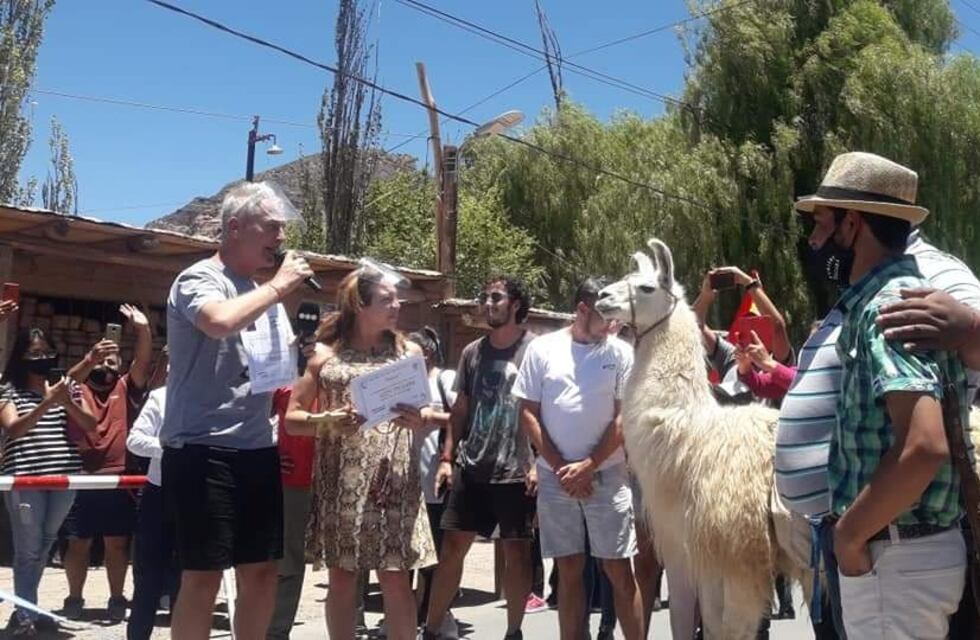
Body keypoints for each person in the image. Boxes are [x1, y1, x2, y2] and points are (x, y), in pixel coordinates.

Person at [795, 151, 974, 639]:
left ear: (852, 224)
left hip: (893, 553)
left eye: (822, 223)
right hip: (897, 552)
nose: (813, 240)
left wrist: (850, 536)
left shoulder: (887, 309)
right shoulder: (893, 299)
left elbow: (924, 445)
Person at [161, 181, 314, 640]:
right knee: (204, 575)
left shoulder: (259, 291)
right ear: (234, 228)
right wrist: (280, 287)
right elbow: (218, 321)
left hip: (256, 449)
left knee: (264, 570)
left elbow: (272, 372)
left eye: (283, 229)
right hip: (202, 449)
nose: (280, 239)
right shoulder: (198, 279)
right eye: (271, 226)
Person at [284, 260, 435, 640]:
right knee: (342, 576)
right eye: (387, 299)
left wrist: (420, 419)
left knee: (396, 577)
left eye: (397, 299)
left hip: (393, 477)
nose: (397, 305)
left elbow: (426, 410)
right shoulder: (323, 356)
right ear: (359, 305)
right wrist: (329, 419)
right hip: (342, 480)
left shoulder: (409, 352)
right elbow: (292, 419)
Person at [514, 277, 643, 640]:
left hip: (608, 474)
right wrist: (560, 467)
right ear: (583, 310)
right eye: (607, 318)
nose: (613, 326)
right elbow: (528, 412)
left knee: (618, 569)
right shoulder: (542, 349)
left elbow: (624, 417)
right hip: (556, 478)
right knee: (569, 567)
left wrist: (588, 466)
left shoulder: (620, 353)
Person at [421, 276, 537, 640]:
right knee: (453, 546)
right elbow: (460, 410)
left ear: (515, 304)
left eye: (497, 297)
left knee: (516, 552)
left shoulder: (535, 351)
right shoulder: (473, 352)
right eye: (484, 296)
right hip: (473, 466)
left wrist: (538, 461)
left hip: (516, 469)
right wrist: (446, 458)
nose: (488, 303)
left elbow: (544, 410)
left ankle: (514, 630)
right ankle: (433, 627)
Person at [0, 328, 97, 637]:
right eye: (34, 354)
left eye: (46, 353)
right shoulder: (7, 390)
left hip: (64, 476)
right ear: (21, 358)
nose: (42, 359)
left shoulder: (64, 386)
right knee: (28, 548)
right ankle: (25, 614)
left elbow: (91, 424)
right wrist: (46, 403)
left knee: (44, 545)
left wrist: (65, 401)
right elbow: (14, 429)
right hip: (25, 476)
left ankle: (28, 610)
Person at [62, 304, 154, 622]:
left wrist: (142, 329)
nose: (107, 366)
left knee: (117, 544)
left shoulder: (126, 388)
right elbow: (62, 385)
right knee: (78, 543)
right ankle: (74, 598)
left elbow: (143, 362)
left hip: (118, 480)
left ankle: (117, 597)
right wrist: (90, 359)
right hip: (81, 477)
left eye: (112, 361)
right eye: (101, 360)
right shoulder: (77, 389)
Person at [407, 327, 460, 638]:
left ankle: (439, 618)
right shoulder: (400, 384)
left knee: (435, 554)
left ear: (425, 353)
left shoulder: (445, 379)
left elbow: (461, 416)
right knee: (407, 553)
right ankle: (407, 614)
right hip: (406, 482)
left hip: (436, 481)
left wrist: (429, 417)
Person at [125, 350, 176, 640]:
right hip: (159, 493)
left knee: (188, 579)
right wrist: (169, 448)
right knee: (147, 580)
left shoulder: (213, 402)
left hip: (196, 496)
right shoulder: (161, 398)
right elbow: (135, 440)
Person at [267, 384, 314, 640]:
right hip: (292, 478)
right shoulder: (281, 381)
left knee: (347, 562)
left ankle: (357, 621)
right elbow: (249, 416)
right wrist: (267, 453)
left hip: (335, 475)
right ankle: (272, 632)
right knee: (284, 559)